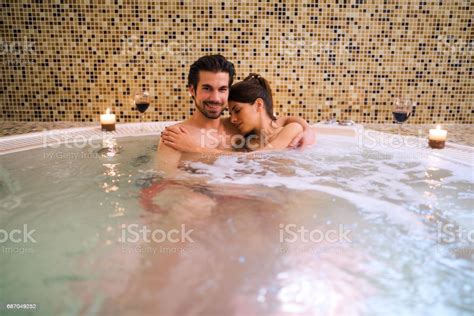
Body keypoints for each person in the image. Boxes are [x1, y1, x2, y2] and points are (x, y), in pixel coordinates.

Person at [156, 54, 315, 176]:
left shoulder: (239, 126)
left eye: (222, 89)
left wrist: (308, 129)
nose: (215, 98)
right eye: (207, 88)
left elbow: (278, 122)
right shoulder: (176, 137)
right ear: (192, 90)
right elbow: (167, 182)